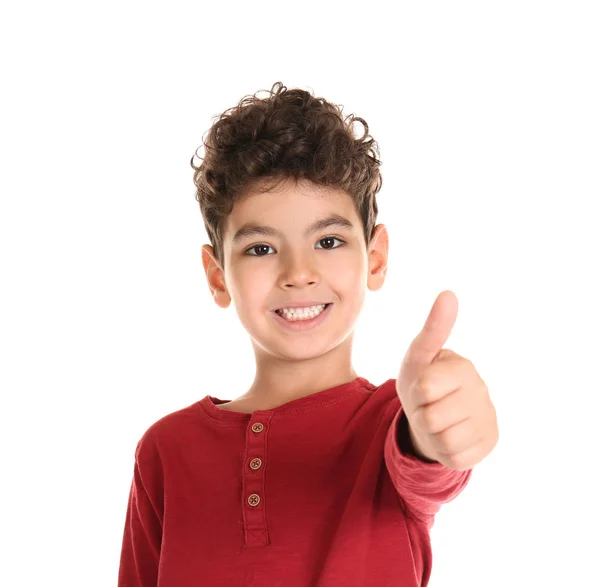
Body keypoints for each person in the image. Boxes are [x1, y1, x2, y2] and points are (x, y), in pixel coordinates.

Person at [117, 82, 499, 587]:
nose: (299, 272)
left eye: (329, 240)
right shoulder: (165, 451)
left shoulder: (393, 425)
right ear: (217, 276)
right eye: (260, 249)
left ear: (375, 257)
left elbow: (424, 463)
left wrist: (438, 433)